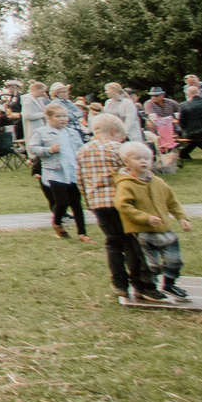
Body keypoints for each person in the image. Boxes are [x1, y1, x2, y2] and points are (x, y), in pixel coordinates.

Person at [74, 113, 158, 301]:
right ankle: (140, 285)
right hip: (121, 202)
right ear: (114, 132)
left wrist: (89, 202)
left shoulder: (83, 150)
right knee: (131, 243)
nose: (122, 139)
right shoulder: (118, 149)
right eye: (121, 136)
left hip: (98, 203)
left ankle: (119, 284)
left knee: (112, 242)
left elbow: (80, 179)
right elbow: (132, 174)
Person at [113, 141, 191, 302]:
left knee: (174, 259)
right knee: (149, 263)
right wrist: (145, 217)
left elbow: (172, 201)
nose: (143, 161)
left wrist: (182, 217)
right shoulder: (126, 184)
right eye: (137, 158)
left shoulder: (158, 182)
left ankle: (169, 284)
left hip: (164, 229)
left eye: (147, 158)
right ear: (127, 162)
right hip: (142, 231)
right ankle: (149, 288)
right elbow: (123, 205)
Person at [30, 104, 92, 244]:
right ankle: (57, 223)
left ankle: (82, 233)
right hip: (54, 171)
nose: (63, 119)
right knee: (62, 201)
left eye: (64, 116)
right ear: (49, 118)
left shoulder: (72, 132)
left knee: (76, 203)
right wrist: (48, 150)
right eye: (58, 116)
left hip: (71, 170)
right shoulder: (41, 132)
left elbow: (80, 148)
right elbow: (33, 148)